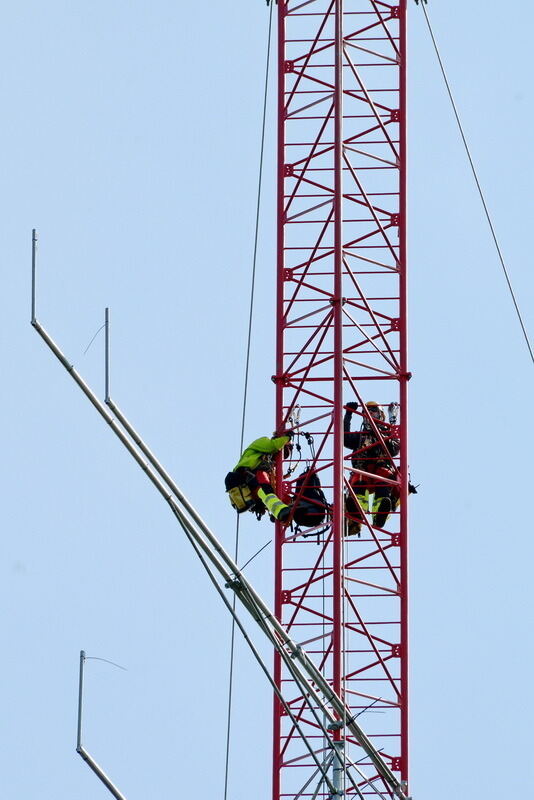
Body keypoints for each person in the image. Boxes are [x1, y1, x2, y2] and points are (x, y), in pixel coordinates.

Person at [344, 401, 400, 535]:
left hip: (381, 476)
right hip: (362, 474)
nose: (369, 414)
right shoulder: (360, 436)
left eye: (373, 410)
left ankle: (379, 514)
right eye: (366, 412)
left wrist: (381, 433)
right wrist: (348, 415)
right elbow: (344, 438)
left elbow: (394, 449)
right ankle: (358, 510)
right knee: (358, 476)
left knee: (384, 475)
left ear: (380, 415)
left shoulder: (388, 435)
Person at [225, 432, 294, 524]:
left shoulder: (270, 466)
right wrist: (287, 438)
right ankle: (279, 511)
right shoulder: (264, 441)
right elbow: (273, 446)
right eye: (282, 451)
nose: (278, 457)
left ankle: (284, 510)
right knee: (266, 489)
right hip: (246, 476)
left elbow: (276, 487)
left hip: (251, 484)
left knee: (271, 491)